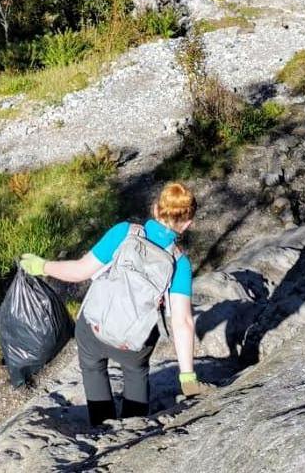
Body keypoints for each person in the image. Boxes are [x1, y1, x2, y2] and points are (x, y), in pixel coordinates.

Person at [20, 180, 210, 425]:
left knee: (92, 367)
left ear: (155, 209)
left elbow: (80, 271)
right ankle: (133, 429)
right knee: (136, 373)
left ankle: (100, 427)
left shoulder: (124, 233)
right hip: (134, 346)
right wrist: (187, 378)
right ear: (186, 224)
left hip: (94, 331)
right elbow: (182, 322)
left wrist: (42, 266)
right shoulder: (179, 264)